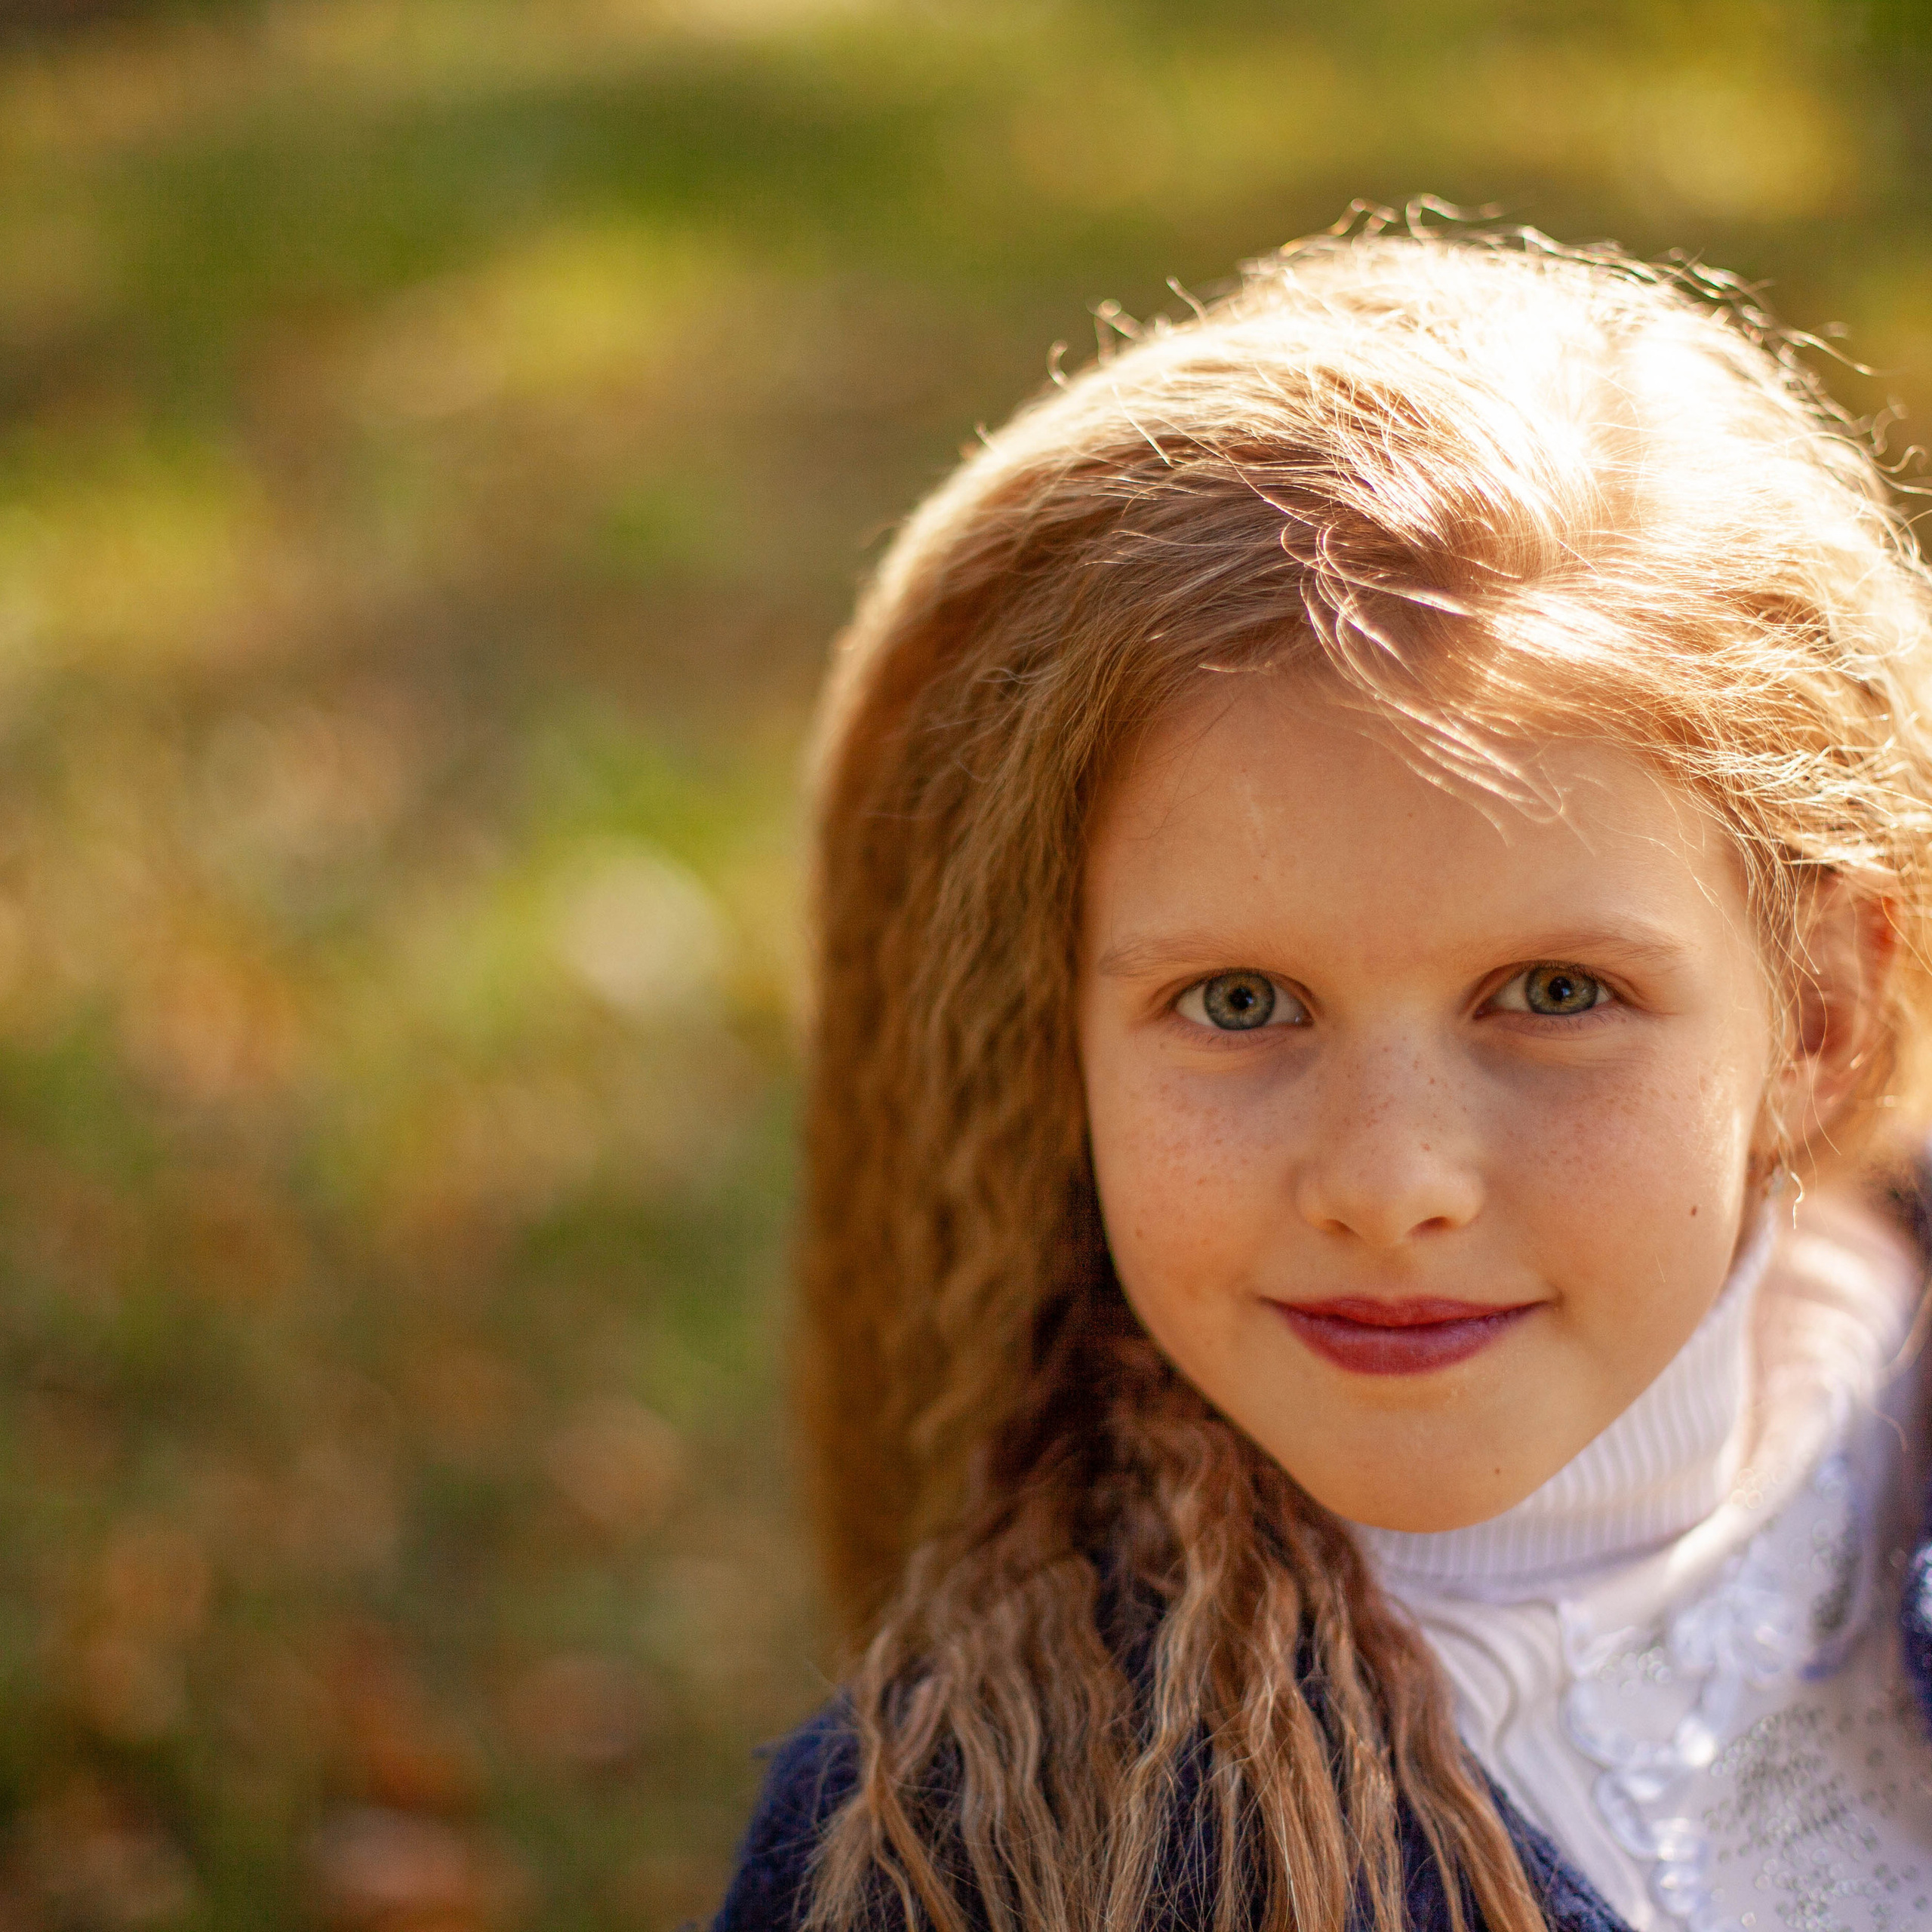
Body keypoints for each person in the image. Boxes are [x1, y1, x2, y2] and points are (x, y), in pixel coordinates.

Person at [712, 217, 1932, 1932]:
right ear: (1060, 1024)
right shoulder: (972, 1855)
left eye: (1552, 990)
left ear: (1815, 1014)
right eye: (1235, 1001)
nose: (1384, 1179)